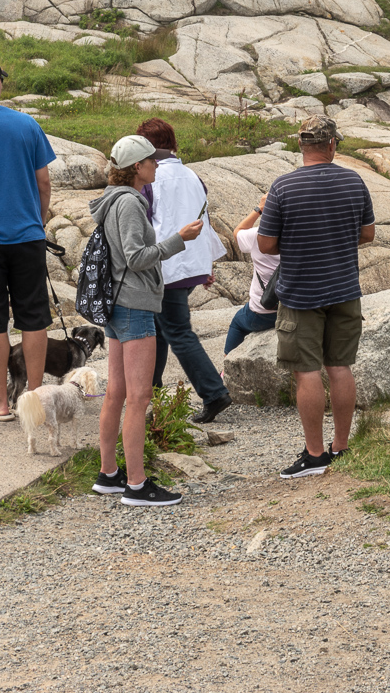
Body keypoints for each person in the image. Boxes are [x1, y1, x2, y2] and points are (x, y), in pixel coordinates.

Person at [257, 115, 375, 477]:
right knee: (340, 367)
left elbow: (265, 243)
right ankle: (341, 447)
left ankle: (314, 454)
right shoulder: (354, 181)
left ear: (302, 145)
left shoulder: (282, 188)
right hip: (344, 289)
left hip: (300, 293)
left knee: (306, 371)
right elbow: (368, 234)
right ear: (331, 145)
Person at [90, 133, 204, 506]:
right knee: (138, 397)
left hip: (116, 303)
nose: (158, 164)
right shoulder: (131, 203)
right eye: (152, 161)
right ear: (137, 167)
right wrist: (178, 239)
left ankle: (109, 475)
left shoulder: (112, 200)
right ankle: (137, 485)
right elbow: (136, 257)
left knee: (116, 392)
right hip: (134, 305)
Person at [140, 119, 232, 424]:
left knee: (176, 330)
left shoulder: (150, 178)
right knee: (159, 329)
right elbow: (202, 220)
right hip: (190, 264)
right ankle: (150, 391)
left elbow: (145, 225)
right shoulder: (193, 176)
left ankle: (213, 392)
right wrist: (206, 264)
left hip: (166, 266)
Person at [0, 57, 56, 421]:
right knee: (33, 318)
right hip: (26, 236)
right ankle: (34, 398)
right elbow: (44, 182)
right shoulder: (26, 124)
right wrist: (38, 220)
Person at [224, 194, 279, 354]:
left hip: (265, 311)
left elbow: (237, 232)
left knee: (237, 322)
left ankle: (227, 368)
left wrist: (259, 209)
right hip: (298, 308)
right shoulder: (303, 235)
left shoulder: (257, 235)